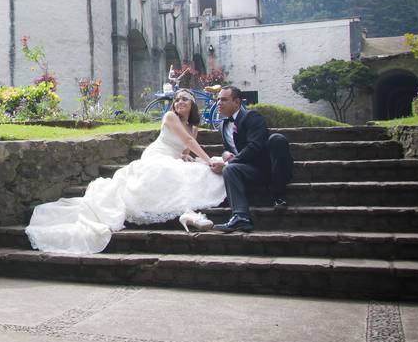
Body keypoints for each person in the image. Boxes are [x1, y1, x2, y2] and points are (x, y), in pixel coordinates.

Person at [25, 89, 225, 255]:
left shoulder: (193, 126)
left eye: (185, 99)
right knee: (169, 171)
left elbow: (186, 148)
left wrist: (188, 158)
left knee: (191, 172)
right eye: (177, 99)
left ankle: (188, 213)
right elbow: (188, 141)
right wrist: (208, 161)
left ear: (192, 104)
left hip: (171, 157)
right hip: (157, 155)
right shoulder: (170, 116)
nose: (180, 102)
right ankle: (187, 213)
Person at [211, 85, 294, 233]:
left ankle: (278, 194)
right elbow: (228, 148)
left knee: (277, 139)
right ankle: (241, 217)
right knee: (230, 169)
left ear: (237, 102)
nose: (219, 103)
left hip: (263, 168)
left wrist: (228, 162)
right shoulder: (223, 125)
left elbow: (255, 146)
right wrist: (226, 155)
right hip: (244, 169)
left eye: (223, 99)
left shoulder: (252, 117)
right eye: (218, 99)